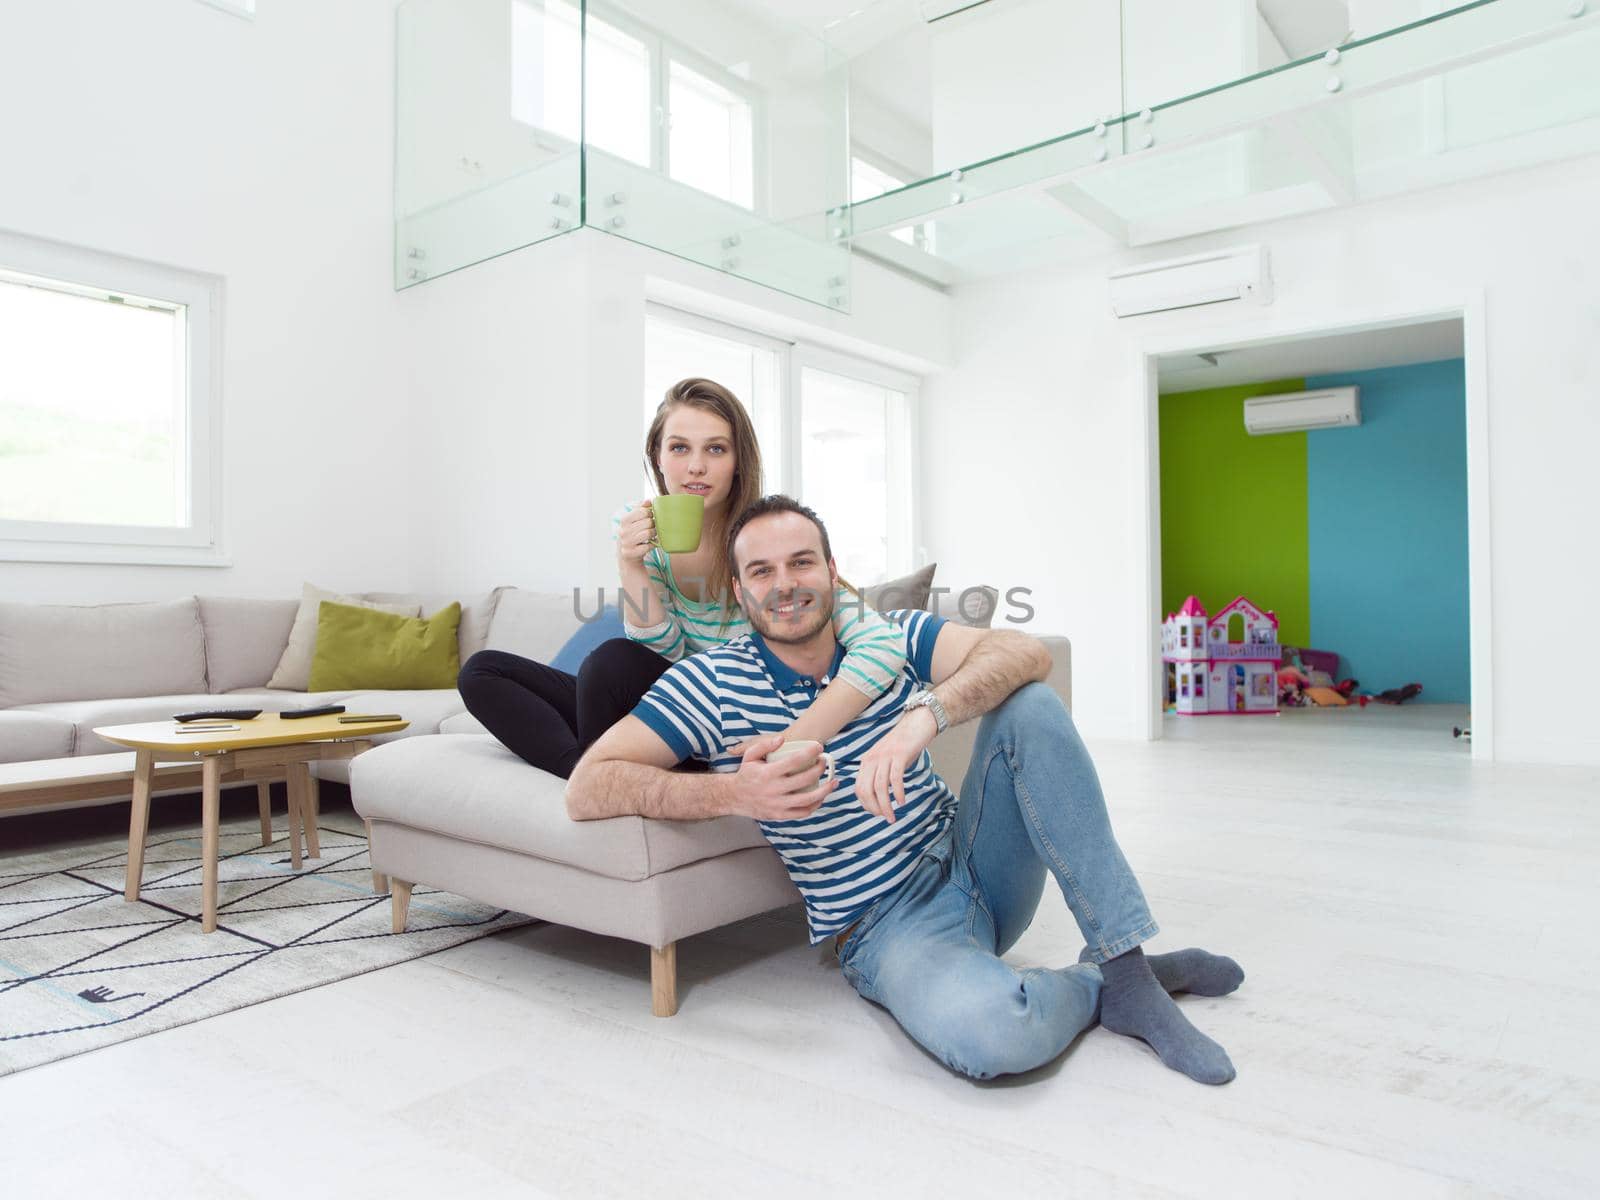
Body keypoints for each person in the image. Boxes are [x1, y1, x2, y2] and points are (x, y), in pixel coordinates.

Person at [566, 495, 1244, 1083]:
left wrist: (925, 716)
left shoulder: (890, 636)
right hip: (886, 925)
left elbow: (1026, 652)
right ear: (740, 594)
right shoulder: (710, 684)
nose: (786, 584)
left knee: (1030, 704)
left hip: (976, 857)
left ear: (832, 573)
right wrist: (737, 795)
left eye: (802, 562)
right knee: (997, 1038)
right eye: (762, 571)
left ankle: (1127, 966)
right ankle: (1108, 986)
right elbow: (589, 786)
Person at [457, 379, 910, 779]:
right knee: (482, 670)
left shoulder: (768, 539)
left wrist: (796, 735)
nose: (696, 466)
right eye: (679, 448)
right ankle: (588, 772)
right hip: (663, 702)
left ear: (737, 462)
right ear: (657, 456)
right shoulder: (640, 530)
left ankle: (605, 771)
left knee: (609, 661)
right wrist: (632, 566)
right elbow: (660, 654)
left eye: (715, 449)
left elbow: (883, 644)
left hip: (725, 714)